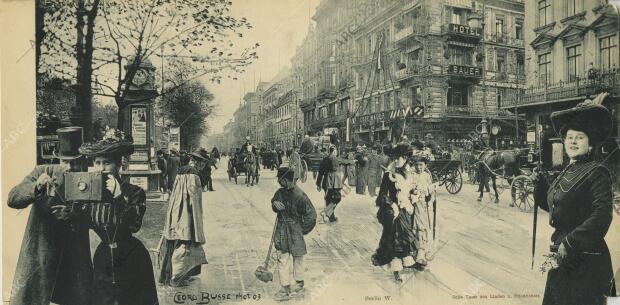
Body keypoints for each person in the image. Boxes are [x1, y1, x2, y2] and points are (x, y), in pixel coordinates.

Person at [537, 93, 616, 305]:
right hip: (561, 256)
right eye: (569, 137)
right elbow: (560, 207)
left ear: (589, 143)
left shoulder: (597, 171)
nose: (573, 141)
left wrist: (570, 244)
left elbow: (602, 215)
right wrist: (540, 189)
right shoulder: (567, 170)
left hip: (587, 259)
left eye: (579, 137)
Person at [7, 127, 93, 305]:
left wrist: (75, 214)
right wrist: (36, 187)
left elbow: (95, 215)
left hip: (74, 260)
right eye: (64, 161)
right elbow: (12, 198)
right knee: (37, 297)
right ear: (58, 158)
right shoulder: (42, 171)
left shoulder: (88, 179)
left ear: (82, 159)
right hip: (42, 256)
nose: (69, 167)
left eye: (74, 162)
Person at [78, 128, 158, 305]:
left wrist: (119, 197)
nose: (101, 168)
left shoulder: (134, 192)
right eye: (97, 163)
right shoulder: (90, 195)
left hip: (131, 257)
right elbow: (81, 223)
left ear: (118, 165)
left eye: (106, 163)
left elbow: (134, 225)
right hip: (104, 258)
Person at [159, 148, 208, 287]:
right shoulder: (194, 174)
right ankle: (178, 277)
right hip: (187, 211)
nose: (203, 165)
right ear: (199, 162)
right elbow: (194, 196)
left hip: (175, 208)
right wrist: (197, 216)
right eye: (203, 162)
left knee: (173, 240)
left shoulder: (181, 170)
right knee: (186, 241)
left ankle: (167, 276)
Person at [371, 143, 417, 282]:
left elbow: (411, 190)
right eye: (395, 158)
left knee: (405, 240)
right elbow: (382, 195)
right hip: (394, 213)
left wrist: (414, 195)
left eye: (399, 158)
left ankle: (404, 265)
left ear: (406, 159)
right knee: (394, 240)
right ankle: (396, 271)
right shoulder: (389, 175)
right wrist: (392, 205)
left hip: (406, 209)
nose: (396, 161)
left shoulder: (409, 173)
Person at [271, 167, 317, 301]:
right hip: (281, 230)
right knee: (282, 258)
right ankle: (285, 288)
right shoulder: (279, 192)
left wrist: (302, 230)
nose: (279, 182)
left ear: (285, 180)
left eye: (280, 180)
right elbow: (274, 202)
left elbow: (311, 216)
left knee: (298, 258)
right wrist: (275, 204)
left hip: (295, 231)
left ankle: (299, 285)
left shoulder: (300, 196)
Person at [410, 152, 436, 271]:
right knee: (412, 226)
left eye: (421, 165)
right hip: (411, 204)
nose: (419, 167)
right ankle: (413, 251)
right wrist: (412, 192)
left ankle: (420, 252)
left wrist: (430, 194)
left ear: (425, 165)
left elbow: (431, 190)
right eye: (417, 165)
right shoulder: (412, 174)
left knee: (421, 226)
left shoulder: (427, 176)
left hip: (422, 205)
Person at [316, 145, 343, 223]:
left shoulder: (325, 159)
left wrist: (318, 184)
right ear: (333, 151)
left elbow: (320, 172)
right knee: (337, 198)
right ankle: (329, 216)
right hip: (331, 182)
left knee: (329, 199)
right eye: (336, 151)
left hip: (327, 182)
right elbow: (321, 172)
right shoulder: (332, 159)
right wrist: (318, 184)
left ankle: (329, 215)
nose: (336, 152)